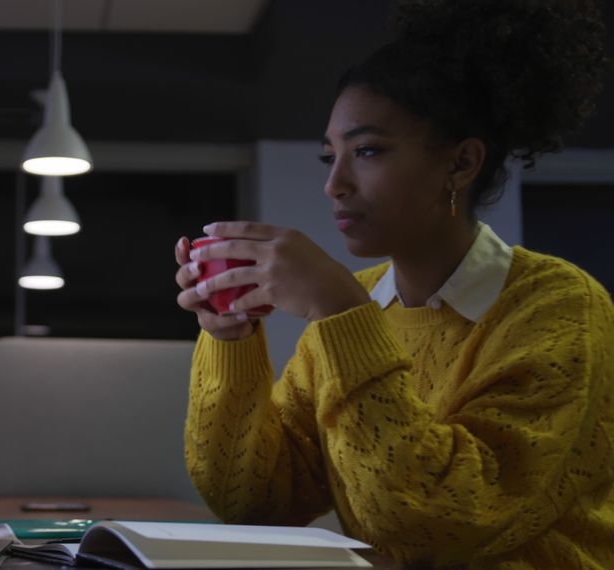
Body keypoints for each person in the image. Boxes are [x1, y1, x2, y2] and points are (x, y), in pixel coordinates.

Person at [174, 0, 613, 567]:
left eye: (368, 151)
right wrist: (229, 338)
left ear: (460, 164)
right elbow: (255, 501)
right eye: (329, 156)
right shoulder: (361, 306)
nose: (334, 184)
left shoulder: (559, 308)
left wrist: (340, 313)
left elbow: (435, 523)